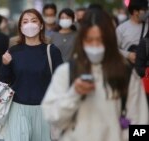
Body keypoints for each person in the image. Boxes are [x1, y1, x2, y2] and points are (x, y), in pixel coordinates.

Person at [42, 9, 148, 141]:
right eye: (89, 40)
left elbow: (142, 126)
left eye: (100, 40)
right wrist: (74, 93)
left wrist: (122, 136)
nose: (95, 45)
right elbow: (52, 117)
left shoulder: (126, 75)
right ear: (81, 41)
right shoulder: (66, 72)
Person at [0, 9, 63, 141]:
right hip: (17, 109)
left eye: (34, 21)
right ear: (21, 27)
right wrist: (5, 65)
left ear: (41, 25)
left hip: (44, 110)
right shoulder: (13, 51)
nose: (29, 24)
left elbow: (61, 81)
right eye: (25, 22)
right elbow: (5, 81)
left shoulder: (52, 51)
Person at [116, 0, 148, 64]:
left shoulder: (148, 26)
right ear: (135, 12)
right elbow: (113, 48)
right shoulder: (121, 29)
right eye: (144, 10)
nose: (147, 12)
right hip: (127, 69)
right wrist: (128, 55)